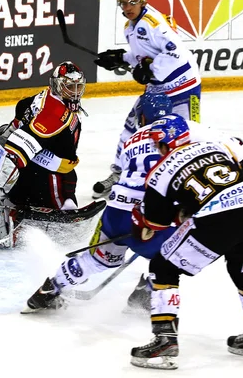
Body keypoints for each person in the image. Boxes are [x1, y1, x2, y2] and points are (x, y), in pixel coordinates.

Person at [129, 115, 243, 370]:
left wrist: (143, 218)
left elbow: (157, 222)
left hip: (219, 217)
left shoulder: (160, 171)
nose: (157, 149)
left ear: (166, 142)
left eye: (157, 143)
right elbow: (240, 168)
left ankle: (165, 340)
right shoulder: (214, 146)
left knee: (163, 267)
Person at [21, 93, 178, 313]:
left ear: (142, 118)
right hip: (145, 213)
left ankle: (51, 289)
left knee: (98, 260)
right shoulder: (176, 138)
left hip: (115, 211)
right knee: (174, 255)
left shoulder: (132, 140)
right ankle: (145, 294)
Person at [0, 61, 87, 245]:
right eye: (69, 87)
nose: (74, 92)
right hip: (50, 181)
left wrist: (7, 137)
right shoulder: (55, 114)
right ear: (57, 85)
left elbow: (17, 120)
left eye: (78, 86)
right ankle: (5, 219)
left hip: (23, 177)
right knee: (66, 221)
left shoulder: (39, 99)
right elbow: (19, 147)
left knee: (16, 199)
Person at [91, 0, 201, 200]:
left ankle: (189, 178)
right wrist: (120, 57)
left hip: (184, 86)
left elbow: (176, 53)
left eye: (132, 1)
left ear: (142, 0)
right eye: (123, 2)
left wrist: (151, 71)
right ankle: (119, 173)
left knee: (185, 132)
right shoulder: (130, 27)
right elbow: (143, 54)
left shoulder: (152, 23)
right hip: (157, 87)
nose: (127, 7)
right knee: (132, 127)